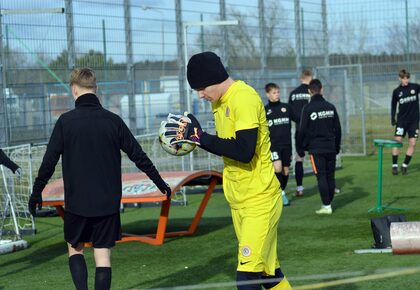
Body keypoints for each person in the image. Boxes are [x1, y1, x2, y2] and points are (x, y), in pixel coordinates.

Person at [28, 68, 171, 290]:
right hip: (107, 203)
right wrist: (159, 182)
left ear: (74, 90)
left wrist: (37, 192)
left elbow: (49, 162)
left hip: (77, 203)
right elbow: (138, 155)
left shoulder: (65, 122)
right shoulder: (113, 121)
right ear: (97, 90)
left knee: (75, 249)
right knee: (102, 257)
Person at [163, 52, 291, 289]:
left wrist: (200, 138)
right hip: (239, 200)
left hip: (259, 200)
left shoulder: (243, 97)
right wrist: (201, 138)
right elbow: (227, 147)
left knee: (246, 278)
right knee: (268, 274)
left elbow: (244, 150)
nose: (200, 94)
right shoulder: (219, 102)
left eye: (201, 87)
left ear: (215, 78)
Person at [298, 79, 341, 215]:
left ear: (310, 91)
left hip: (316, 149)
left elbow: (302, 130)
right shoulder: (330, 107)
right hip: (330, 147)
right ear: (321, 89)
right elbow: (338, 129)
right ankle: (329, 202)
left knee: (321, 176)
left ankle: (326, 205)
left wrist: (300, 147)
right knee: (330, 176)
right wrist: (337, 145)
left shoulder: (308, 108)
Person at [264, 83, 296, 207]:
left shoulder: (286, 108)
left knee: (285, 171)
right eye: (274, 92)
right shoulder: (265, 110)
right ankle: (280, 194)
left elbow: (298, 119)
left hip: (287, 144)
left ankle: (281, 190)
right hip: (273, 145)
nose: (277, 94)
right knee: (277, 167)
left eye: (278, 92)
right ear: (268, 94)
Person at [390, 69, 420, 175]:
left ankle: (404, 166)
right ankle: (394, 166)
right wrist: (392, 117)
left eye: (407, 78)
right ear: (400, 78)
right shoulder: (397, 91)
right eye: (403, 78)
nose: (406, 80)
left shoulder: (415, 87)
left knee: (413, 143)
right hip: (402, 121)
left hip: (414, 121)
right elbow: (393, 105)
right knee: (397, 142)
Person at [288, 69, 313, 197]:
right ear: (310, 78)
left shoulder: (293, 94)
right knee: (317, 157)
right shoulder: (312, 91)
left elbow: (290, 112)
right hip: (312, 130)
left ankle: (299, 188)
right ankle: (328, 184)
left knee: (299, 158)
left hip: (299, 130)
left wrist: (299, 121)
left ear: (301, 78)